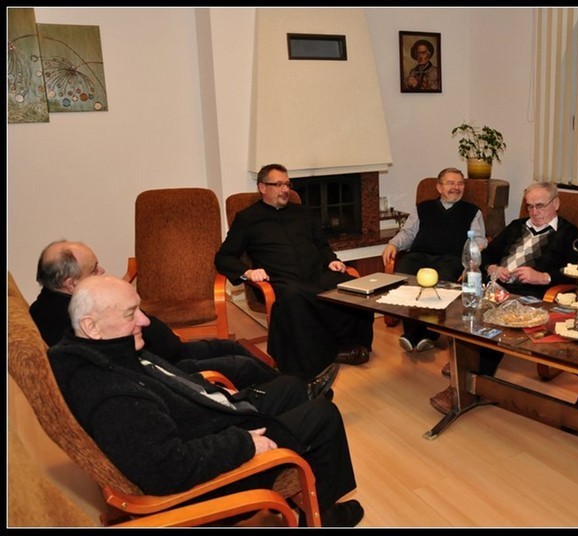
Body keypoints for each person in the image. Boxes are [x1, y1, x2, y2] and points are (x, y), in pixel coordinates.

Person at [47, 275, 363, 526]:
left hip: (206, 420)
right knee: (323, 415)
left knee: (291, 387)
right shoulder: (113, 396)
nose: (144, 321)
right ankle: (323, 517)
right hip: (215, 466)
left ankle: (311, 494)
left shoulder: (100, 353)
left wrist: (214, 394)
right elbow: (167, 469)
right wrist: (244, 444)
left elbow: (169, 382)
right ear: (91, 326)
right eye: (132, 313)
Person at [29, 240, 338, 401]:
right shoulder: (68, 319)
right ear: (70, 283)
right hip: (165, 368)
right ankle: (299, 394)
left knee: (234, 348)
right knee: (239, 364)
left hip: (169, 352)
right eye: (94, 268)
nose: (102, 272)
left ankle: (295, 389)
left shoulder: (58, 302)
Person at [429, 180, 578, 414]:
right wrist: (492, 267)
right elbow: (487, 255)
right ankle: (465, 360)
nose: (534, 212)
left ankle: (460, 389)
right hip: (496, 288)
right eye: (530, 206)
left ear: (556, 203)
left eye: (540, 206)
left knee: (495, 323)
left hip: (529, 295)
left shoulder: (568, 234)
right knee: (460, 308)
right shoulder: (516, 226)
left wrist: (542, 277)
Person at [215, 163, 374, 380]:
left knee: (354, 287)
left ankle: (349, 345)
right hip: (283, 281)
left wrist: (332, 260)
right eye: (278, 185)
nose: (285, 190)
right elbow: (223, 256)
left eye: (287, 184)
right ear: (262, 187)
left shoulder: (303, 212)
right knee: (294, 299)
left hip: (317, 274)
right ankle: (314, 363)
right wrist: (248, 272)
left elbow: (322, 246)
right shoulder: (247, 218)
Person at [382, 167, 487, 352]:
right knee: (405, 275)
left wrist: (472, 258)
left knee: (441, 283)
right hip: (419, 255)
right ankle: (411, 332)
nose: (456, 187)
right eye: (450, 183)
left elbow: (479, 239)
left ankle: (428, 335)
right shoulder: (422, 208)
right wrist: (393, 245)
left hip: (450, 258)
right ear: (439, 187)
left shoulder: (472, 211)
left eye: (460, 183)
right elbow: (408, 233)